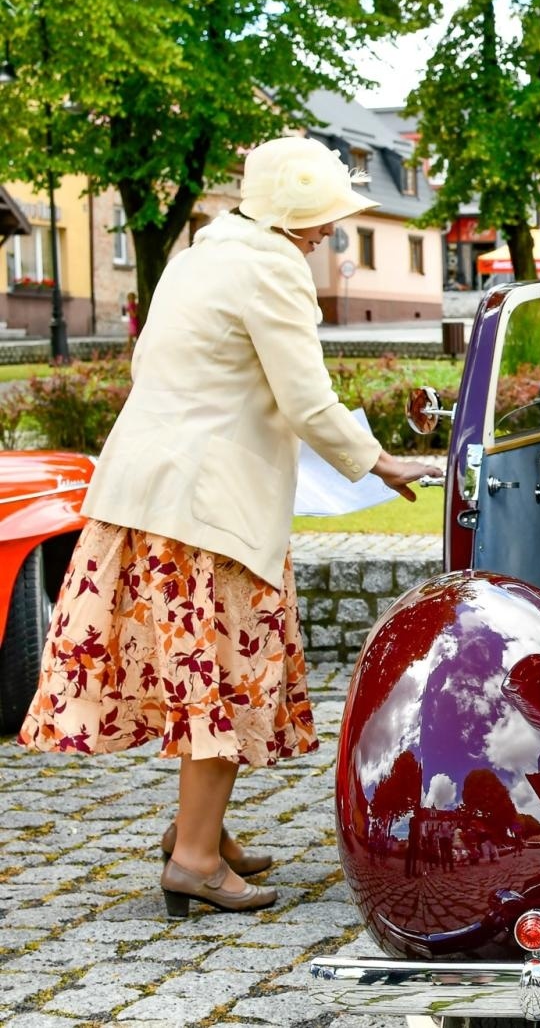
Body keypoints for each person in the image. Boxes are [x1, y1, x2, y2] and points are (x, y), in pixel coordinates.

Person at [17, 136, 440, 917]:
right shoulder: (272, 268)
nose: (329, 231)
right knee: (222, 674)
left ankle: (199, 829)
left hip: (148, 498)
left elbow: (161, 369)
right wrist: (381, 463)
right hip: (206, 514)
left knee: (200, 677)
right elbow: (306, 400)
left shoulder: (203, 252)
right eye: (321, 217)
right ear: (289, 216)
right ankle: (195, 860)